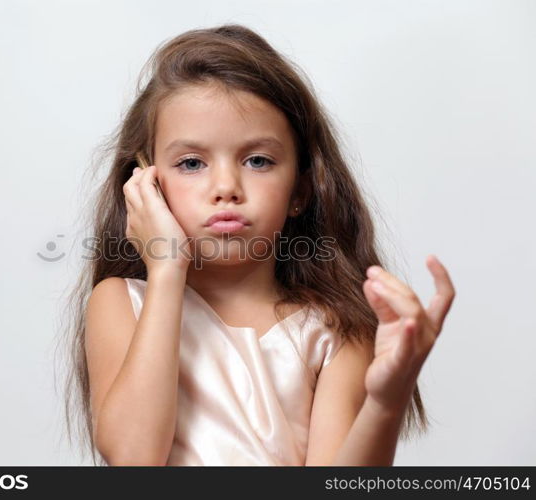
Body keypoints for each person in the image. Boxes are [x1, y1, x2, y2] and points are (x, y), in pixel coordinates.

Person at [60, 24, 455, 466]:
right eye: (191, 163)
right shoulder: (120, 303)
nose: (226, 187)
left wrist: (386, 401)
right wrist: (167, 269)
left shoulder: (335, 330)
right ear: (146, 185)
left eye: (258, 161)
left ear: (300, 191)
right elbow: (134, 458)